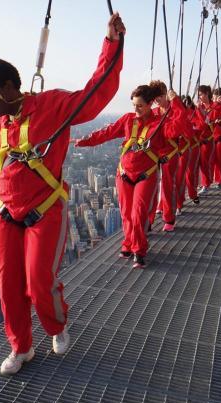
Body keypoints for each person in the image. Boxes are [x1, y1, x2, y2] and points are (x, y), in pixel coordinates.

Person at [0, 14, 125, 376]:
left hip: (44, 210)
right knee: (7, 284)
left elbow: (97, 92)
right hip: (5, 213)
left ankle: (56, 327)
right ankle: (21, 348)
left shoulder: (51, 107)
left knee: (39, 282)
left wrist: (112, 44)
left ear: (12, 87)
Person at [74, 84, 189, 268]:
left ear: (151, 104)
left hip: (146, 174)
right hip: (124, 173)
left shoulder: (160, 124)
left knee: (138, 214)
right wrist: (85, 141)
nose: (135, 110)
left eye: (140, 106)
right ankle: (128, 244)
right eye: (133, 105)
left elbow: (179, 126)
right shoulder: (128, 120)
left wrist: (175, 102)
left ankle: (139, 250)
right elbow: (107, 132)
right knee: (126, 214)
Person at [150, 80, 194, 229]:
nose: (157, 100)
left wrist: (175, 101)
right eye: (155, 97)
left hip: (171, 152)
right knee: (151, 186)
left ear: (166, 95)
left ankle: (169, 219)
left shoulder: (176, 110)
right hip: (154, 154)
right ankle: (149, 219)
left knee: (169, 184)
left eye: (160, 96)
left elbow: (187, 130)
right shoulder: (154, 113)